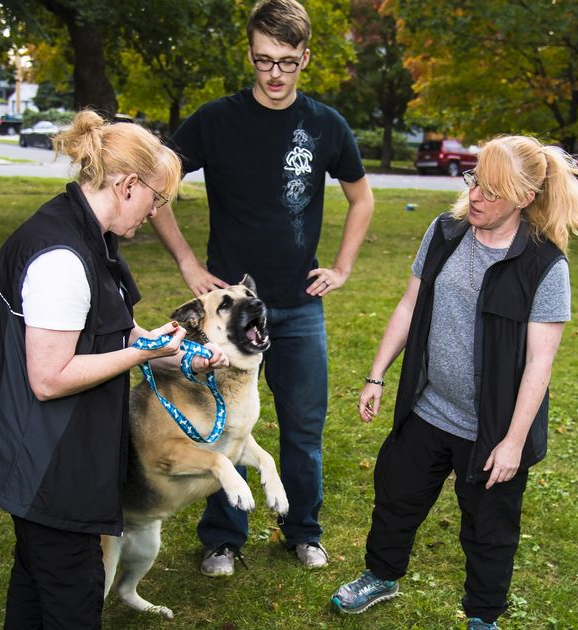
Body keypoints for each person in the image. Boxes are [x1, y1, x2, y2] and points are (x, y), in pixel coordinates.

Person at [0, 110, 226, 629]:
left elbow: (116, 331)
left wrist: (179, 355)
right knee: (73, 593)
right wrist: (141, 356)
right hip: (43, 460)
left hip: (58, 452)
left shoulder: (91, 235)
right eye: (157, 200)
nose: (155, 213)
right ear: (128, 186)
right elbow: (49, 378)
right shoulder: (61, 257)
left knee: (36, 578)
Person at [330, 136, 578, 629]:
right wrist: (376, 374)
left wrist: (513, 443)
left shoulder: (544, 266)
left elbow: (539, 364)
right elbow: (410, 304)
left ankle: (483, 617)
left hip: (493, 430)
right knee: (395, 498)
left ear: (524, 198)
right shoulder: (445, 233)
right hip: (428, 407)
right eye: (474, 181)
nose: (475, 196)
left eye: (492, 191)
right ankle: (381, 576)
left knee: (489, 531)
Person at [151, 0, 375, 577]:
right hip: (227, 319)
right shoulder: (215, 120)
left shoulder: (325, 125)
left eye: (287, 62)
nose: (275, 74)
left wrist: (342, 267)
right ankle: (223, 539)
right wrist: (187, 262)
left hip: (298, 309)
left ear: (306, 58)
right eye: (263, 60)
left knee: (303, 429)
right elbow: (155, 186)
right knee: (220, 425)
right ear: (249, 54)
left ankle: (303, 531)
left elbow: (361, 197)